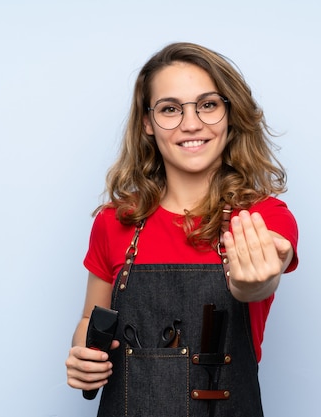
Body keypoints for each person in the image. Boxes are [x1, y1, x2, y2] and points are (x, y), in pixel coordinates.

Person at [65, 42, 299, 416]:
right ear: (147, 123)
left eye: (207, 105)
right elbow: (90, 321)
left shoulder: (262, 216)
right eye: (170, 109)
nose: (191, 123)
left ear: (229, 114)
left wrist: (257, 276)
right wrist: (83, 357)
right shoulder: (114, 221)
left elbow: (256, 282)